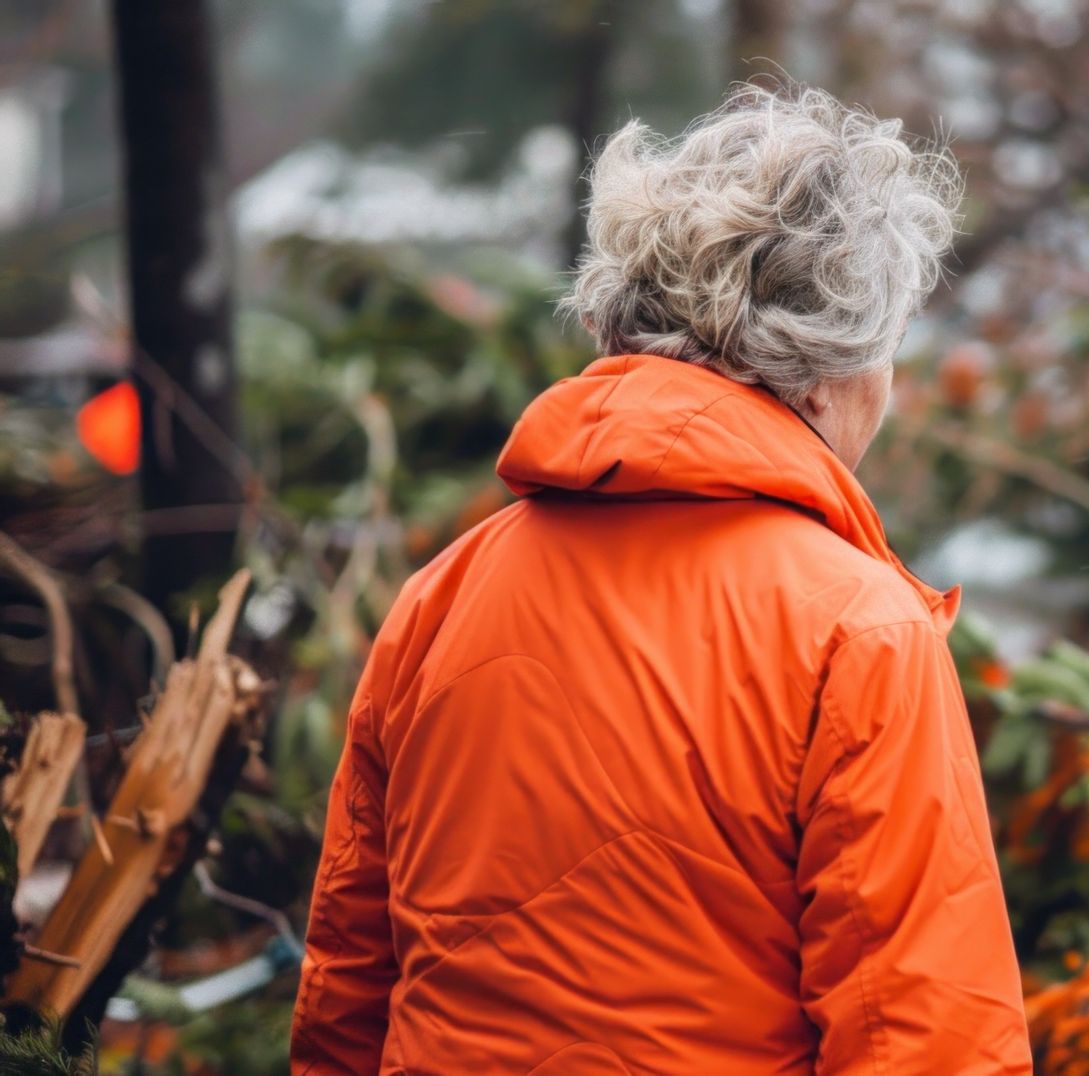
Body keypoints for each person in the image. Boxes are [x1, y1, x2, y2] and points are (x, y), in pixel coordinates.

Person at [291, 84, 1031, 1074]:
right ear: (821, 367)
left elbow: (348, 992)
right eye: (885, 348)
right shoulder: (858, 634)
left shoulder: (439, 598)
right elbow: (926, 1040)